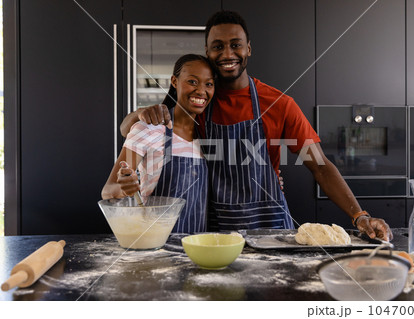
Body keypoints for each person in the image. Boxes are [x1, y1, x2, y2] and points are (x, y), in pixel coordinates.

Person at [120, 11, 393, 241]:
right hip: (217, 234)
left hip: (271, 229)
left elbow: (320, 166)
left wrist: (359, 215)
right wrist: (140, 113)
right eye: (218, 46)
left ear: (248, 48)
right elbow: (132, 131)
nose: (228, 53)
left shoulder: (280, 104)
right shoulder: (198, 103)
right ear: (208, 51)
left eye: (235, 44)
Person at [102, 54, 214, 233]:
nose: (201, 90)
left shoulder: (209, 137)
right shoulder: (148, 129)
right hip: (153, 245)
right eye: (192, 81)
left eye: (209, 84)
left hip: (198, 248)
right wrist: (124, 188)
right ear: (175, 81)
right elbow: (108, 191)